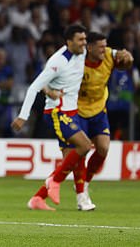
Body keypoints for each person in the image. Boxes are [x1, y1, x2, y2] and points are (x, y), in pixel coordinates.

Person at [11, 24, 90, 211]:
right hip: (57, 112)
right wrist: (23, 116)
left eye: (85, 40)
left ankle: (38, 198)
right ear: (69, 42)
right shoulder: (57, 62)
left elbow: (48, 85)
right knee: (85, 145)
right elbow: (34, 86)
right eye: (80, 40)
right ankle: (53, 180)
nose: (84, 43)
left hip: (72, 112)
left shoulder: (83, 52)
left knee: (71, 160)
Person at [70, 32, 133, 210]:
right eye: (100, 47)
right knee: (82, 150)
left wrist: (128, 58)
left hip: (98, 109)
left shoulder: (109, 55)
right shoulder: (76, 61)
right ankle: (81, 196)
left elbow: (125, 62)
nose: (104, 50)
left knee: (103, 148)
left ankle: (85, 182)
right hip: (78, 110)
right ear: (89, 48)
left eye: (105, 46)